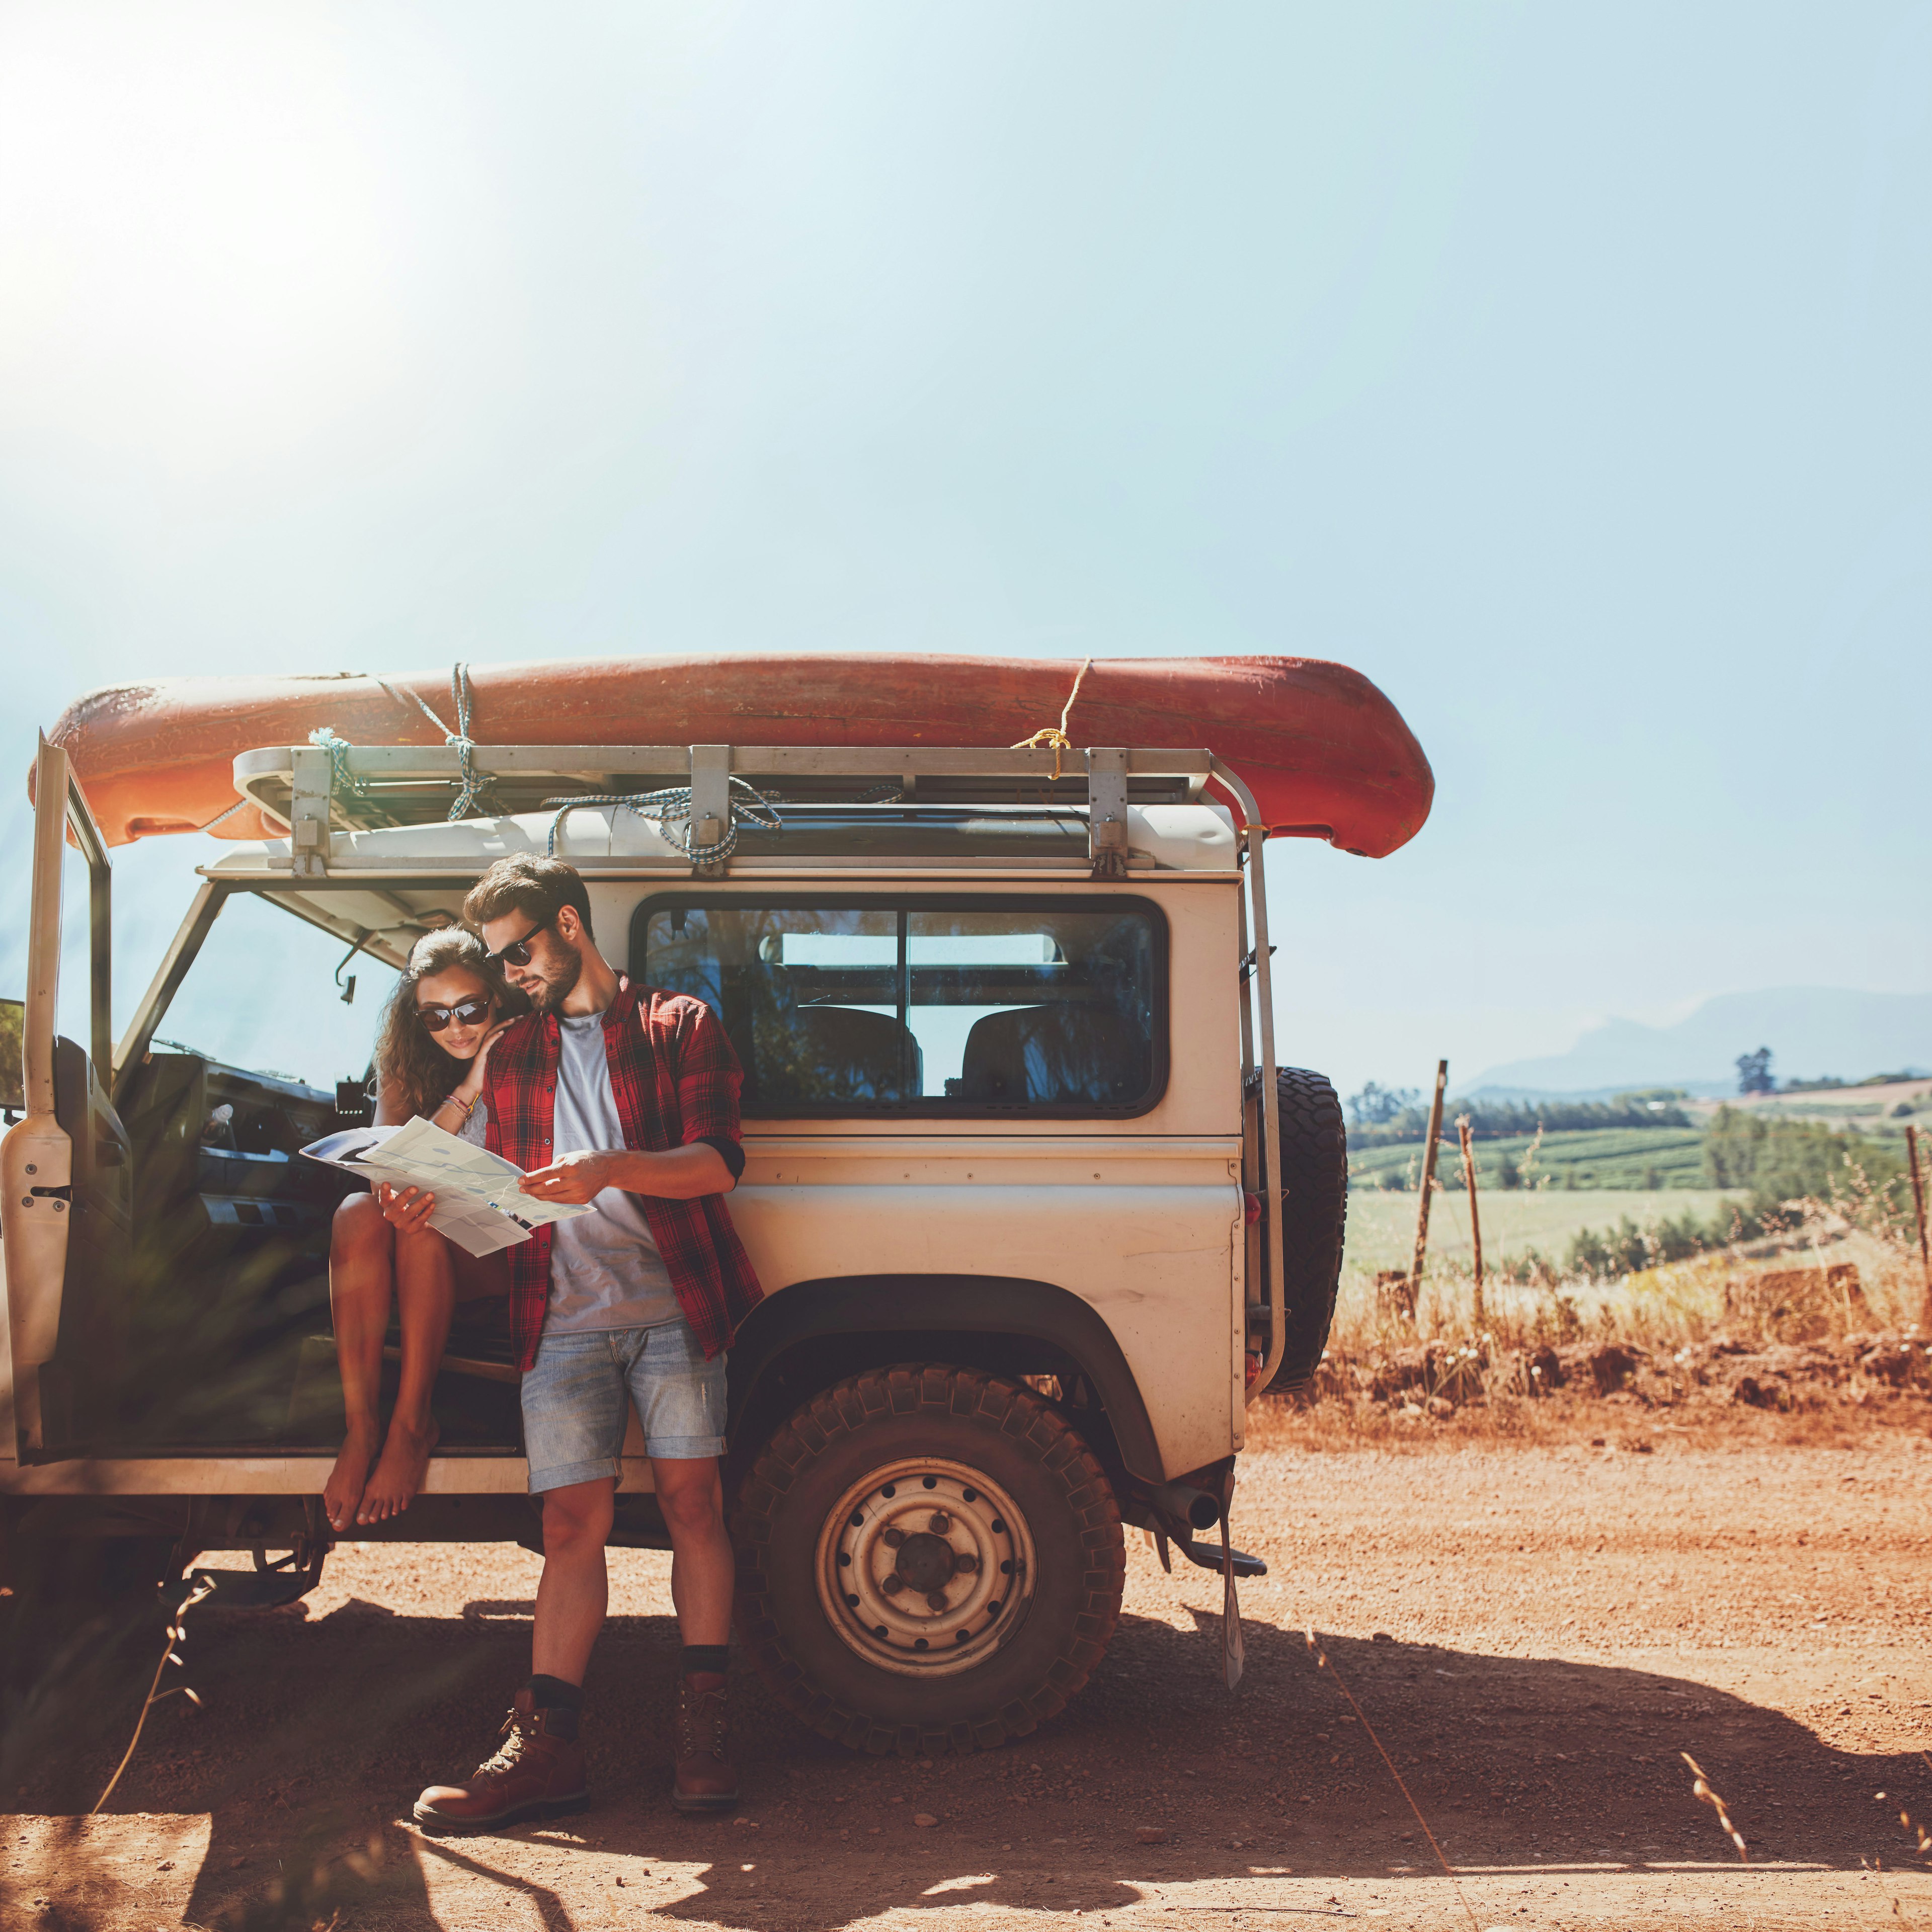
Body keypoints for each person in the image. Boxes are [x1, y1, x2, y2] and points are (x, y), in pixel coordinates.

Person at [410, 854, 762, 1833]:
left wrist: (613, 1167)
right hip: (559, 1311)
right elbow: (464, 1151)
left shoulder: (675, 1024)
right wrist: (415, 1183)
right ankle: (550, 1752)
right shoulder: (514, 1051)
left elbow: (719, 1163)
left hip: (674, 1302)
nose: (509, 976)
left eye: (519, 952)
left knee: (695, 1500)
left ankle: (706, 1724)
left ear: (568, 925)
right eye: (499, 960)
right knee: (569, 1528)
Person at [321, 929, 524, 1535]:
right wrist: (466, 1090)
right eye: (436, 1015)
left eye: (470, 1010)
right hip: (431, 1244)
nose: (456, 1028)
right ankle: (362, 1429)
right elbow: (391, 1168)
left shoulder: (529, 1053)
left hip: (509, 1249)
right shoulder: (407, 1067)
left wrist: (488, 1074)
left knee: (421, 1220)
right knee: (358, 1212)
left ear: (497, 999)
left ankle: (412, 1424)